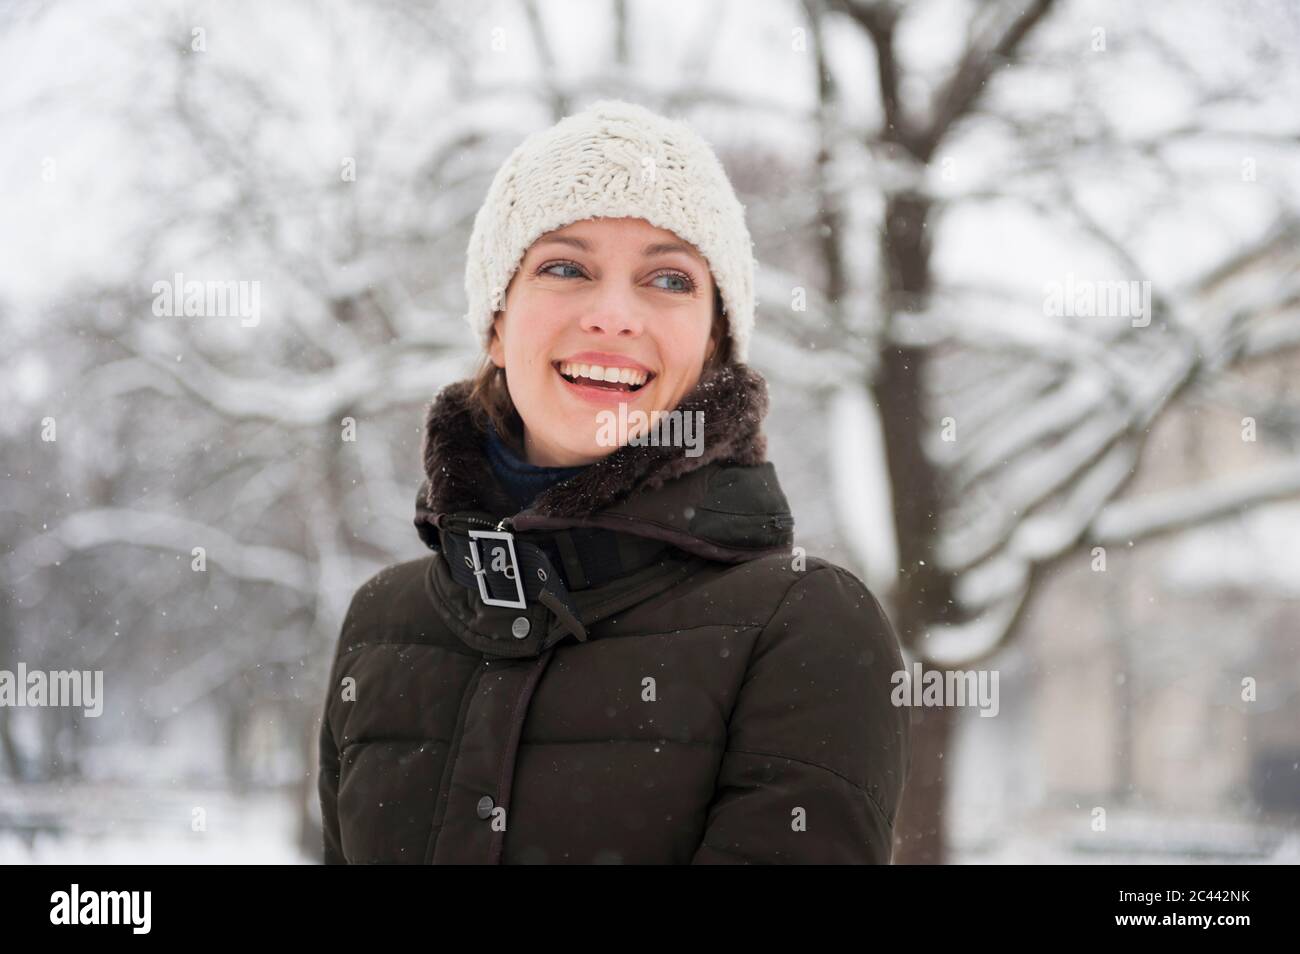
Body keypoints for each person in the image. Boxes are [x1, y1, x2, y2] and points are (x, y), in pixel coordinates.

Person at [317, 99, 910, 864]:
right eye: (565, 267)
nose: (613, 316)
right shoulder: (382, 623)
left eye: (668, 279)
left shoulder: (804, 626)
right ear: (497, 321)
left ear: (715, 339)